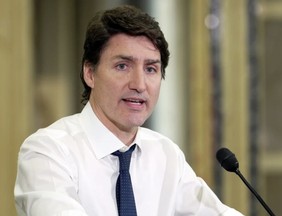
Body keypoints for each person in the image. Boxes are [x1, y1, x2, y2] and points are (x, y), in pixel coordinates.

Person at [14, 5, 243, 216]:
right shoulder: (47, 151)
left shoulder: (165, 154)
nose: (139, 84)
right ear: (90, 73)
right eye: (122, 66)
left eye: (151, 69)